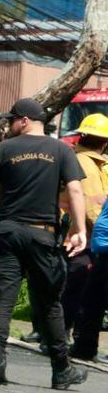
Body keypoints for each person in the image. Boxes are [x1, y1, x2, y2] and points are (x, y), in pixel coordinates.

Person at [0, 97, 89, 390]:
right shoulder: (61, 150)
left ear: (26, 120)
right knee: (49, 303)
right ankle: (60, 368)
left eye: (13, 119)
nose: (11, 124)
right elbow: (76, 190)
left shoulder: (5, 149)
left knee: (2, 299)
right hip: (42, 234)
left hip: (7, 232)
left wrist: (14, 207)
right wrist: (80, 231)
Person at [66, 114, 108, 360]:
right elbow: (93, 207)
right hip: (84, 239)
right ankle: (80, 344)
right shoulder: (88, 164)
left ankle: (82, 346)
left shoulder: (86, 162)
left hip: (90, 240)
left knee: (90, 297)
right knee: (87, 295)